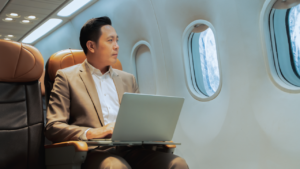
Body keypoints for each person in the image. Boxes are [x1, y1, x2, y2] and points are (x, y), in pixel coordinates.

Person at [45, 16, 189, 169]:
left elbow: (138, 121)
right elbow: (53, 127)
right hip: (93, 152)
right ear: (91, 46)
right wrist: (94, 132)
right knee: (115, 166)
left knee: (177, 164)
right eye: (110, 40)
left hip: (131, 150)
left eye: (117, 40)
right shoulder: (66, 77)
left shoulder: (128, 79)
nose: (117, 46)